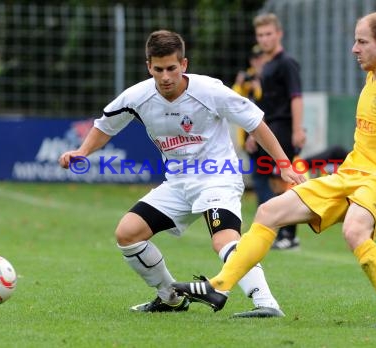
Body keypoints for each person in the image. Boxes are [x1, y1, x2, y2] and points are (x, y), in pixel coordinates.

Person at [172, 12, 376, 327]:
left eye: (362, 41)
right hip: (351, 173)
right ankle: (219, 287)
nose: (354, 48)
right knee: (270, 211)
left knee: (354, 231)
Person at [58, 30, 303, 318]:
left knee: (223, 240)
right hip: (177, 183)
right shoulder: (137, 96)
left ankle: (266, 303)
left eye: (172, 68)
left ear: (184, 65)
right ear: (149, 66)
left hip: (217, 177)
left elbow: (255, 123)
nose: (165, 77)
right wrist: (82, 152)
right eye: (158, 69)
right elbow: (105, 125)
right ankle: (171, 298)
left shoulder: (210, 91)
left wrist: (284, 164)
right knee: (128, 234)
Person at [244, 13, 305, 250]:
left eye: (269, 33)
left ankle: (290, 235)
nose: (265, 39)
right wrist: (253, 133)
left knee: (284, 180)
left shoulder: (286, 63)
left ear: (279, 34)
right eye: (260, 35)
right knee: (275, 182)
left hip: (284, 126)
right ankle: (282, 234)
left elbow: (296, 97)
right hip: (271, 126)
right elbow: (265, 105)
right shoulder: (267, 66)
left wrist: (298, 129)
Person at [232, 45, 273, 205]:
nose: (257, 61)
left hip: (266, 136)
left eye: (260, 57)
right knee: (259, 178)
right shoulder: (247, 79)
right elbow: (233, 100)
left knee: (266, 179)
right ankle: (265, 213)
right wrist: (239, 84)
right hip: (249, 137)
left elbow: (266, 104)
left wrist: (259, 89)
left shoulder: (268, 77)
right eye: (255, 58)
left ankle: (269, 213)